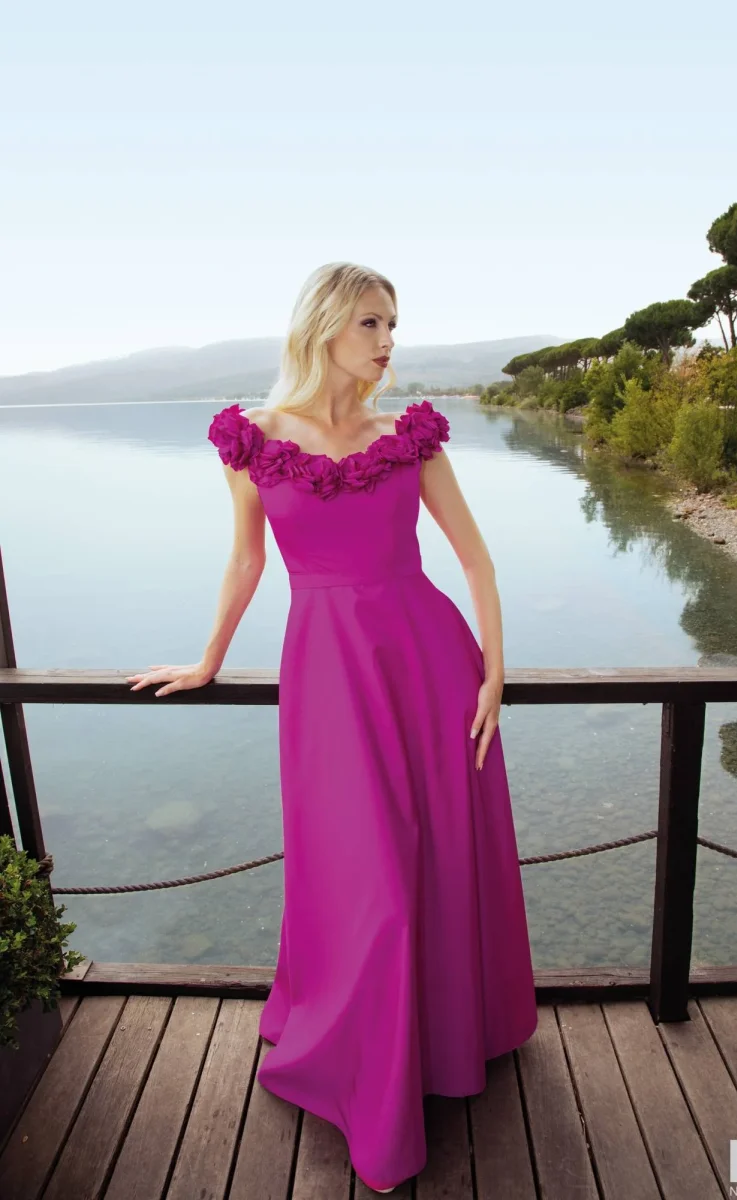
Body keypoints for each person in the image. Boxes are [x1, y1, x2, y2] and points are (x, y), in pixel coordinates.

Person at [126, 262, 538, 1192]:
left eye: (393, 322)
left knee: (437, 859)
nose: (388, 340)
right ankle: (371, 1075)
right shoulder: (251, 439)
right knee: (368, 883)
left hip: (430, 664)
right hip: (327, 675)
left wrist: (493, 674)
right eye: (370, 322)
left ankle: (443, 1044)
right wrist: (208, 659)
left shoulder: (409, 436)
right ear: (323, 327)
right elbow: (246, 562)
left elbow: (476, 561)